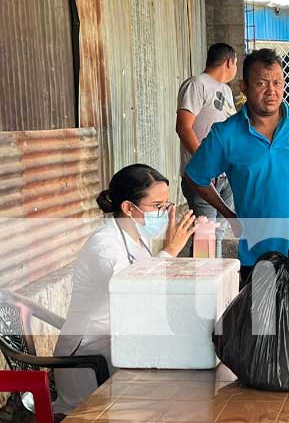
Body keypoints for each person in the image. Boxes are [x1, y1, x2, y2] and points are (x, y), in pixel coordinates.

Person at [184, 48, 289, 286]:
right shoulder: (226, 134)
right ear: (243, 88)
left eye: (277, 82)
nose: (271, 91)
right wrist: (229, 215)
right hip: (257, 255)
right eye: (261, 83)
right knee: (261, 321)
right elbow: (196, 176)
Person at [53, 164, 201, 414]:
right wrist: (170, 251)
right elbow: (132, 295)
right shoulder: (105, 245)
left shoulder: (135, 239)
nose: (164, 213)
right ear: (128, 208)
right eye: (157, 206)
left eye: (166, 205)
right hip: (88, 362)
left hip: (116, 346)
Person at [176, 43, 237, 258]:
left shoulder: (226, 91)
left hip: (226, 175)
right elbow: (184, 127)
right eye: (236, 63)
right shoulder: (196, 85)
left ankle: (217, 286)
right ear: (230, 62)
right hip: (203, 177)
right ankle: (204, 287)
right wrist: (205, 164)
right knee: (205, 234)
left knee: (218, 233)